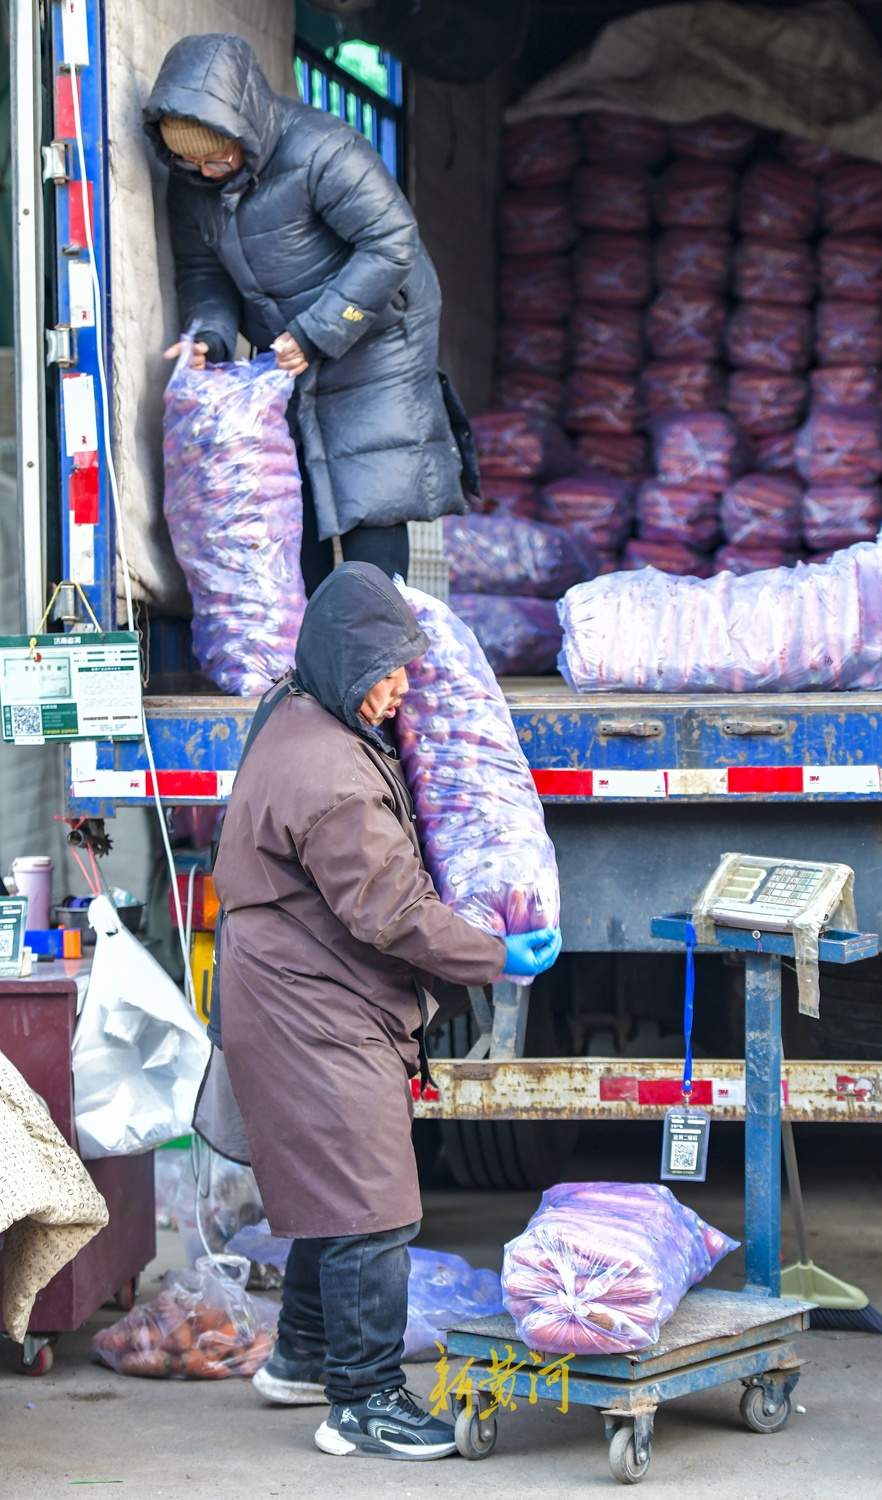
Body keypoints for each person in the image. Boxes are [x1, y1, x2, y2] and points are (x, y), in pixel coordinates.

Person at [209, 563, 561, 1461]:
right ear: (342, 659)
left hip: (302, 985)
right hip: (310, 1006)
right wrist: (495, 956)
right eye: (386, 670)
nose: (402, 688)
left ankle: (301, 1356)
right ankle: (361, 1400)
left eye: (407, 667)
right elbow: (394, 912)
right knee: (374, 1204)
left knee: (337, 1191)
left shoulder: (304, 709)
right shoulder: (331, 777)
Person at [144, 34, 473, 592]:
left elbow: (392, 242)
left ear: (244, 122)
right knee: (299, 502)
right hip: (291, 349)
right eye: (188, 159)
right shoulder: (193, 185)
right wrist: (214, 338)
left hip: (378, 335)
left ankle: (376, 659)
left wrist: (319, 331)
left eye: (217, 152)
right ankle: (317, 661)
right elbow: (202, 275)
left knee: (371, 493)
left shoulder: (323, 150)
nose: (206, 170)